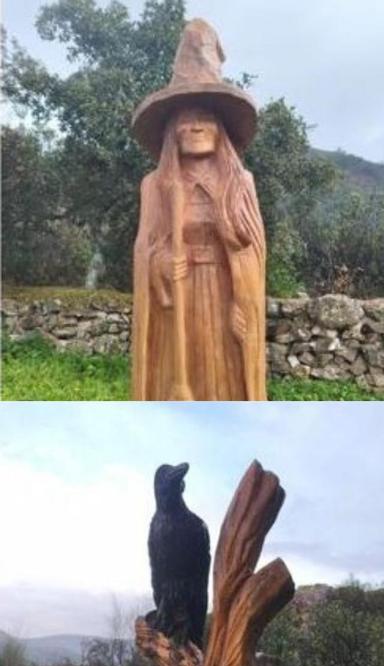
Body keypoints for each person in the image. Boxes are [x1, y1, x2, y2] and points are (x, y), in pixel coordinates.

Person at [130, 19, 267, 400]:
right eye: (184, 118)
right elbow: (145, 247)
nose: (194, 126)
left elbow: (253, 251)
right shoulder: (155, 187)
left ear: (221, 129)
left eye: (204, 117)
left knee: (222, 377)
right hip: (177, 298)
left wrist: (243, 298)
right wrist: (158, 263)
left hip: (225, 294)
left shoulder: (241, 184)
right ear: (171, 130)